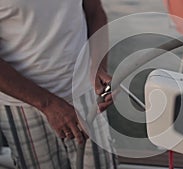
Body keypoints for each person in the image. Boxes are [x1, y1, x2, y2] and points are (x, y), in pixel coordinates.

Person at [0, 0, 117, 168]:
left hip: (84, 93)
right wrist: (48, 104)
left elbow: (94, 12)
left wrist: (98, 67)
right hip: (23, 105)